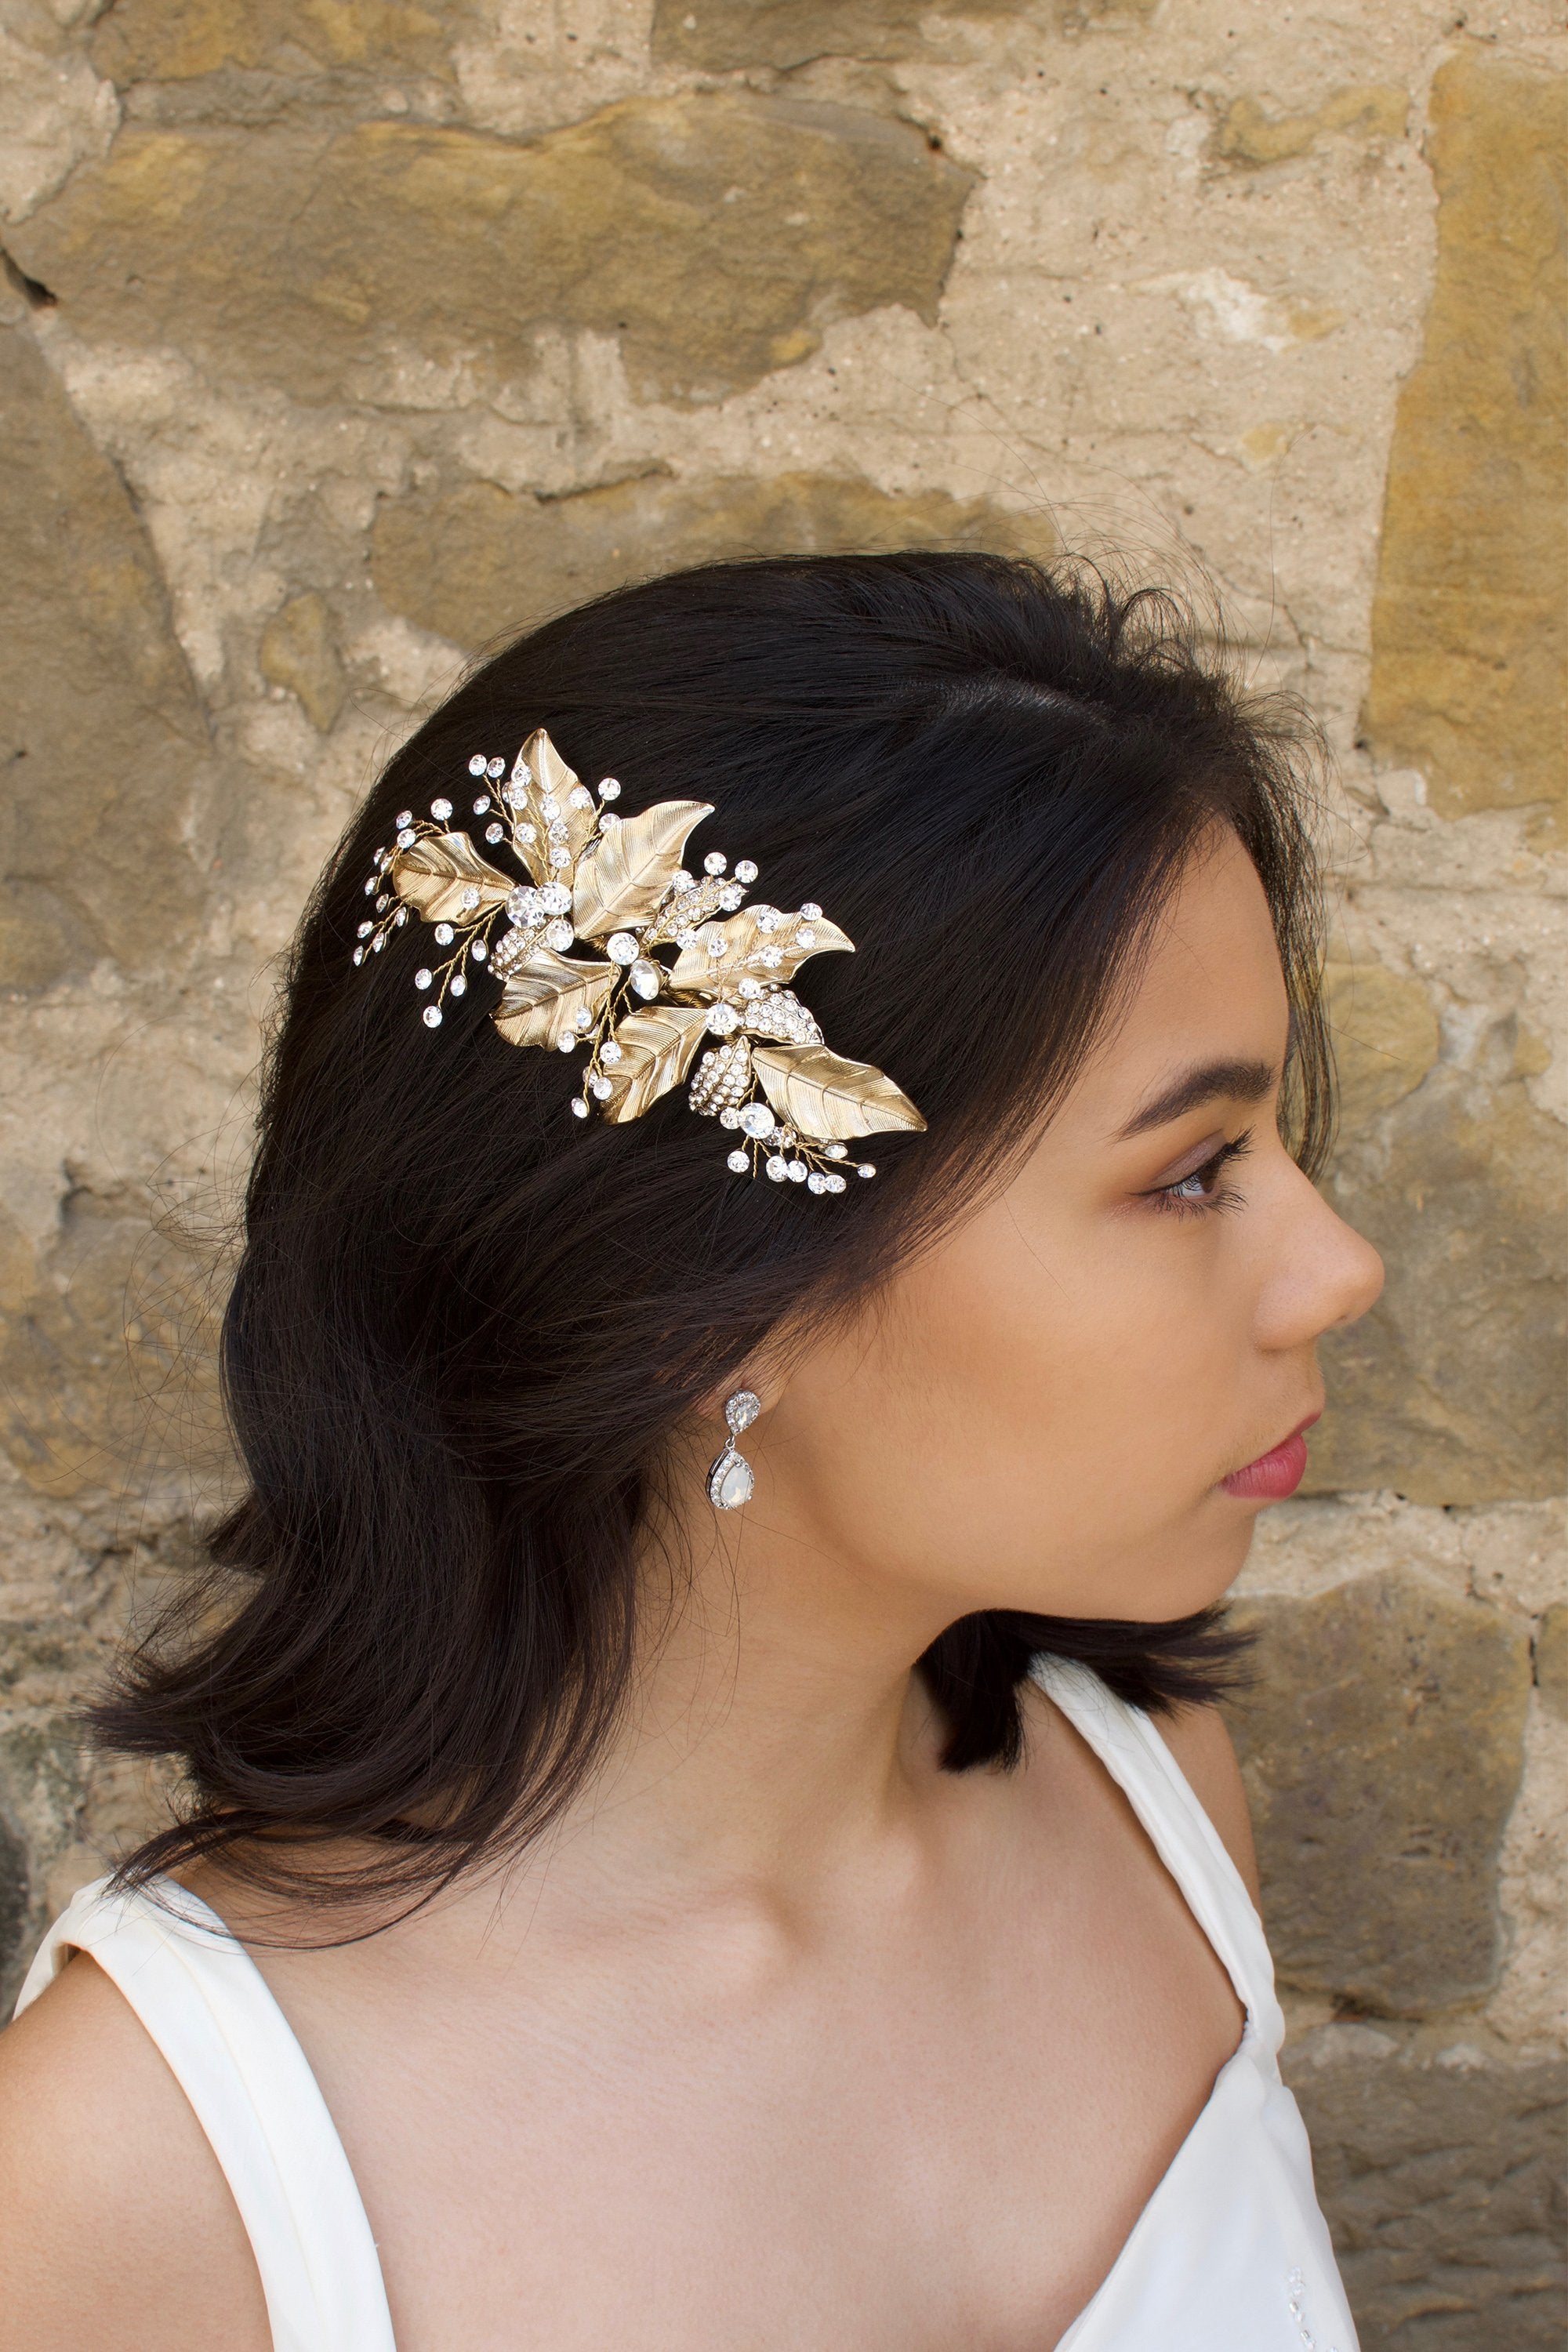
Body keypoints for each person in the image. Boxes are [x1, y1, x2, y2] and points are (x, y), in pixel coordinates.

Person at [0, 554, 1382, 2351]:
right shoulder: (135, 2175)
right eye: (1187, 1172)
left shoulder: (1152, 1808)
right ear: (701, 1302)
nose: (1335, 1267)